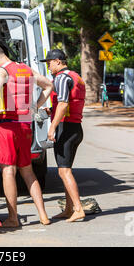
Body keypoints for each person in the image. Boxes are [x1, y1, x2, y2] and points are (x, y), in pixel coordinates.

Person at [0, 43, 53, 227]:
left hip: (7, 126)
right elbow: (49, 85)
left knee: (8, 171)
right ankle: (43, 215)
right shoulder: (26, 69)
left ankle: (13, 218)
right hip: (25, 125)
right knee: (28, 171)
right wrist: (36, 106)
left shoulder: (1, 71)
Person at [40, 49, 86, 223]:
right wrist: (51, 110)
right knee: (67, 171)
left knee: (63, 171)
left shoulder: (61, 78)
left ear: (58, 61)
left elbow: (63, 103)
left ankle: (78, 209)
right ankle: (68, 209)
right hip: (76, 127)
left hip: (65, 128)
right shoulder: (76, 76)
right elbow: (70, 103)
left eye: (49, 63)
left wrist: (51, 128)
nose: (48, 67)